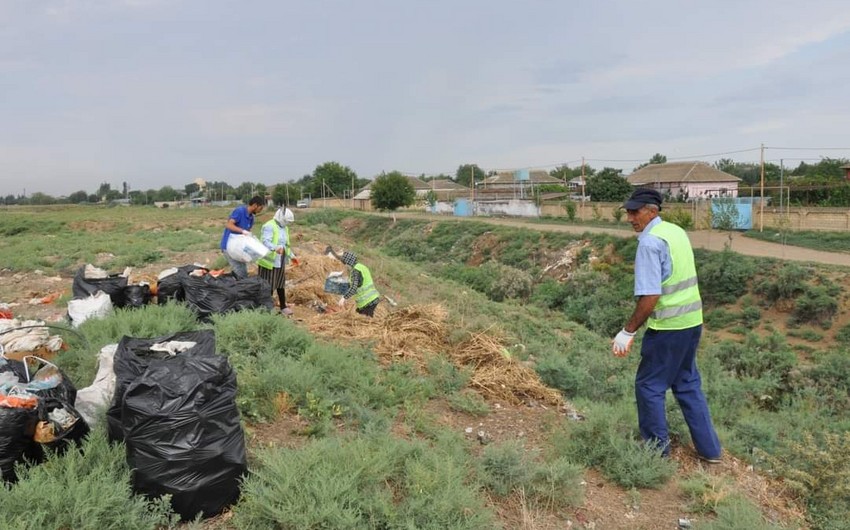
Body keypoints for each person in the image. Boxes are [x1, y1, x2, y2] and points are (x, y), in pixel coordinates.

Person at [613, 188, 722, 464]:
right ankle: (710, 451)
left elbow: (651, 296)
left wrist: (628, 331)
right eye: (628, 211)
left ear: (652, 211)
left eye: (635, 212)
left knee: (649, 386)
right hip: (692, 323)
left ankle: (655, 454)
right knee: (687, 384)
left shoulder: (650, 243)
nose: (630, 218)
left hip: (668, 329)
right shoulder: (675, 232)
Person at [256, 207, 299, 315]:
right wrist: (275, 248)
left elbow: (286, 245)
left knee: (280, 283)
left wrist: (292, 256)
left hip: (280, 259)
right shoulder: (269, 226)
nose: (287, 224)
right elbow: (265, 241)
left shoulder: (285, 228)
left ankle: (283, 306)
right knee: (268, 285)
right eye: (286, 221)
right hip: (269, 261)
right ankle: (267, 309)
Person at [325, 247, 380, 317]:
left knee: (364, 321)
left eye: (345, 263)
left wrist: (344, 298)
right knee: (358, 316)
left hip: (368, 301)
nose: (344, 265)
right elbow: (357, 283)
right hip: (371, 299)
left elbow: (354, 287)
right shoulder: (361, 267)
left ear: (348, 263)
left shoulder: (355, 271)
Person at [220, 196, 265, 279]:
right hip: (228, 246)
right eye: (260, 208)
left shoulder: (251, 218)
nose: (260, 211)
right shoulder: (240, 211)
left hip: (238, 248)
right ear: (255, 205)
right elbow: (229, 225)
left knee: (241, 270)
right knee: (240, 271)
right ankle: (238, 289)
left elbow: (246, 235)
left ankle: (234, 285)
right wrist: (242, 231)